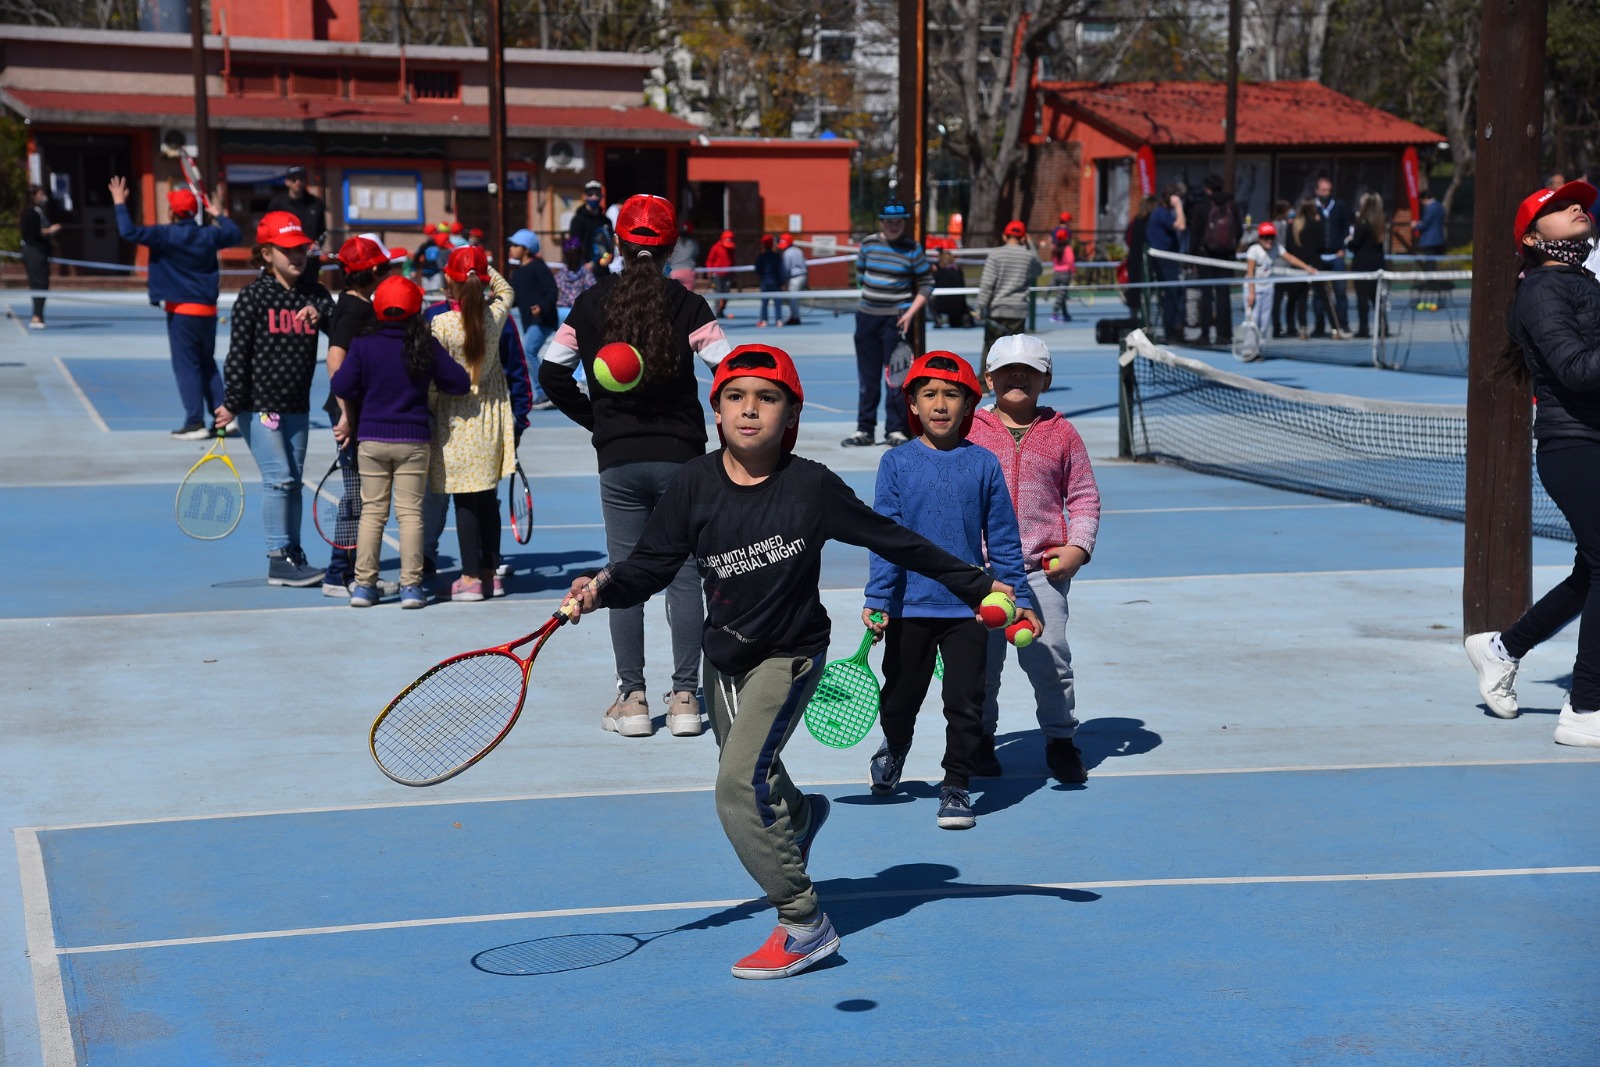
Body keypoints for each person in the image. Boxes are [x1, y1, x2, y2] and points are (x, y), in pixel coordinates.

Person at [562, 343, 1017, 978]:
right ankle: (801, 815)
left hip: (791, 653)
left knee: (734, 789)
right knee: (756, 777)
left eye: (766, 398)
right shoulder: (693, 483)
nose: (750, 410)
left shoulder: (811, 488)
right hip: (725, 657)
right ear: (716, 411)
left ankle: (805, 923)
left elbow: (898, 541)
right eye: (735, 397)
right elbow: (650, 567)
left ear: (790, 414)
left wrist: (979, 587)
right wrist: (603, 585)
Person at [540, 194, 733, 738]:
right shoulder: (690, 306)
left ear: (617, 245)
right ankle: (687, 699)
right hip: (682, 460)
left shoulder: (591, 304)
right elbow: (732, 370)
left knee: (624, 574)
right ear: (671, 248)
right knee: (684, 576)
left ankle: (631, 697)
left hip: (618, 460)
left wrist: (598, 421)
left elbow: (552, 372)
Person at [862, 351, 1039, 830]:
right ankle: (895, 746)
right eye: (930, 395)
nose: (940, 404)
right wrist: (878, 600)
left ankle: (957, 784)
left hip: (969, 610)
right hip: (908, 606)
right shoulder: (895, 463)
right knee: (899, 699)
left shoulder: (983, 464)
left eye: (952, 395)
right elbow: (886, 538)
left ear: (969, 405)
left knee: (966, 702)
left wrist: (1019, 599)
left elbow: (1004, 538)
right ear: (914, 405)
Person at [1464, 179, 1600, 748]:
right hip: (1574, 447)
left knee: (1591, 571)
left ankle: (1503, 649)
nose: (1578, 207)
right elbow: (1576, 370)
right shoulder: (1542, 290)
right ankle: (1584, 709)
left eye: (1582, 202)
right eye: (1559, 206)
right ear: (1532, 235)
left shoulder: (1581, 281)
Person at [967, 334, 1099, 783]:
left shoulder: (1062, 432)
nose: (1017, 376)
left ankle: (1061, 741)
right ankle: (981, 740)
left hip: (1041, 572)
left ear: (1046, 380)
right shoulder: (968, 431)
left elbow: (1083, 497)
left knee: (1050, 661)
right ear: (989, 379)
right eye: (1007, 370)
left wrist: (1078, 548)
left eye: (1029, 370)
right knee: (981, 669)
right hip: (982, 575)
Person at [331, 276, 471, 609]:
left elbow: (342, 383)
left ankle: (364, 585)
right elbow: (459, 382)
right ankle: (411, 586)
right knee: (410, 515)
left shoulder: (365, 344)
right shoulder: (423, 343)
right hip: (413, 440)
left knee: (372, 513)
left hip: (372, 439)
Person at [214, 211, 333, 587]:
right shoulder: (252, 297)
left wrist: (324, 313)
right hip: (260, 406)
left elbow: (344, 326)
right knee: (279, 479)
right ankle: (277, 554)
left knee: (293, 481)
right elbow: (238, 355)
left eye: (300, 248)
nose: (296, 256)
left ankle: (292, 554)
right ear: (267, 254)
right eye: (287, 250)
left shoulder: (315, 293)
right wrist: (233, 401)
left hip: (297, 405)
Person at [108, 175, 241, 438]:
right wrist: (219, 214)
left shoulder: (164, 234)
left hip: (181, 311)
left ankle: (194, 422)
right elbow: (235, 234)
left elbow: (128, 232)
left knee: (187, 366)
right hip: (207, 311)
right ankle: (223, 417)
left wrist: (119, 203)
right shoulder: (209, 235)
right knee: (207, 363)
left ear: (172, 211)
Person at [426, 245, 516, 602]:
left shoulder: (442, 323)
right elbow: (506, 289)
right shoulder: (495, 316)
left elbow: (435, 377)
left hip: (457, 416)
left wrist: (432, 409)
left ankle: (469, 577)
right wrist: (484, 266)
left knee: (465, 500)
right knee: (486, 498)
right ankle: (490, 573)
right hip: (491, 414)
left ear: (450, 280)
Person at [319, 235, 393, 597]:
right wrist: (346, 413)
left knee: (361, 495)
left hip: (359, 411)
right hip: (353, 415)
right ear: (374, 271)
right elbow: (336, 360)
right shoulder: (354, 310)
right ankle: (339, 572)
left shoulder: (356, 304)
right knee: (356, 496)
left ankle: (348, 568)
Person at [845, 197, 933, 448]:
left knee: (897, 379)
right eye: (889, 221)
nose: (894, 226)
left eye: (899, 222)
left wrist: (909, 313)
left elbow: (927, 284)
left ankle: (895, 430)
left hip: (896, 322)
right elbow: (861, 275)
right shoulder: (869, 244)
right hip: (867, 319)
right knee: (868, 379)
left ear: (904, 223)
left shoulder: (912, 248)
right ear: (881, 222)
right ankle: (865, 430)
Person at [976, 220, 1042, 361]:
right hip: (1018, 311)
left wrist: (980, 307)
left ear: (1005, 236)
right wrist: (1030, 245)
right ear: (1023, 238)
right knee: (1015, 353)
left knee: (991, 350)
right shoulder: (1028, 256)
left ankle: (985, 381)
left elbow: (987, 283)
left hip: (998, 310)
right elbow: (1038, 270)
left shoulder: (996, 254)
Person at [508, 228, 558, 408]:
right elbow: (513, 298)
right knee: (527, 352)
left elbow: (552, 292)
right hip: (529, 321)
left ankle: (543, 393)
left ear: (526, 249)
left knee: (527, 351)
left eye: (515, 245)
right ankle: (544, 391)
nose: (511, 248)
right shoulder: (518, 272)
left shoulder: (539, 267)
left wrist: (542, 307)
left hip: (543, 320)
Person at [1190, 174, 1241, 346]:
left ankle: (1205, 335)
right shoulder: (1232, 205)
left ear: (1208, 189)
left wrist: (1192, 257)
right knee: (1223, 295)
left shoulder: (1202, 207)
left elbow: (1195, 234)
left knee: (1206, 296)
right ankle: (1224, 335)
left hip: (1206, 256)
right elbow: (1239, 231)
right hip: (1226, 257)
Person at [1145, 185, 1187, 344]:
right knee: (1171, 294)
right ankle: (1171, 331)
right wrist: (1178, 206)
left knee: (1174, 294)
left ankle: (1175, 329)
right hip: (1164, 260)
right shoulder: (1161, 214)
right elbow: (1181, 226)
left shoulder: (1162, 213)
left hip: (1169, 259)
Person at [1311, 176, 1352, 337]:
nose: (1326, 193)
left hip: (1336, 256)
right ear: (1316, 191)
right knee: (1318, 294)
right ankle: (1319, 326)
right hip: (1319, 258)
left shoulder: (1340, 206)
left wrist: (1342, 248)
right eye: (1323, 190)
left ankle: (1343, 324)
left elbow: (1346, 228)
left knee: (1340, 292)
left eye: (1328, 190)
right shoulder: (1311, 208)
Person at [20, 184, 60, 330]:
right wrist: (49, 231)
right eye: (40, 193)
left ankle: (39, 314)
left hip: (40, 252)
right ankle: (36, 316)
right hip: (34, 251)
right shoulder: (31, 212)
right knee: (39, 283)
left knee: (42, 283)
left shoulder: (39, 211)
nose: (43, 196)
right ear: (34, 195)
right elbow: (32, 233)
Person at [1284, 198, 1325, 340]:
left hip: (1298, 265)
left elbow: (1288, 247)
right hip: (1312, 265)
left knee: (1299, 299)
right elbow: (1322, 245)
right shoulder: (1315, 225)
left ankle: (1300, 328)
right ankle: (1335, 328)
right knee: (1324, 297)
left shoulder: (1293, 225)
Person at [266, 166, 327, 261]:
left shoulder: (316, 204)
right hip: (285, 256)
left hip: (309, 257)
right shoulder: (277, 204)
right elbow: (268, 228)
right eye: (294, 179)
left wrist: (318, 243)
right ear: (287, 182)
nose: (298, 183)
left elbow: (323, 230)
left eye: (301, 179)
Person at [1348, 193, 1388, 339]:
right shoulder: (1380, 221)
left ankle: (1363, 329)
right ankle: (1383, 328)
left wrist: (1348, 242)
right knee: (1376, 298)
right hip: (1377, 264)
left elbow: (1355, 243)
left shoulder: (1362, 222)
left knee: (1362, 299)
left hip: (1363, 265)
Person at [568, 180, 613, 272]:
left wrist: (609, 257)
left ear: (601, 197)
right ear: (584, 196)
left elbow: (609, 244)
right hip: (584, 269)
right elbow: (574, 245)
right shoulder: (577, 220)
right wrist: (583, 264)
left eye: (597, 194)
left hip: (603, 270)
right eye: (590, 194)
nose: (594, 197)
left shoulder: (606, 221)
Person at [1124, 197, 1156, 324]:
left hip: (1134, 258)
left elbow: (1127, 238)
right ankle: (1145, 318)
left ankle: (1134, 317)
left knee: (1135, 288)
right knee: (1145, 288)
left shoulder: (1135, 221)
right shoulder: (1150, 222)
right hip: (1145, 259)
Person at [553, 235, 597, 324]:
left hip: (579, 314)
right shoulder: (560, 275)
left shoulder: (586, 275)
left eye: (575, 254)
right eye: (570, 255)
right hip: (565, 314)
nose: (573, 258)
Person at [931, 249, 973, 328]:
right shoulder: (957, 269)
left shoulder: (938, 270)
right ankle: (964, 317)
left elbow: (933, 284)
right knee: (955, 322)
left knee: (930, 300)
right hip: (959, 305)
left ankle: (938, 319)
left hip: (941, 304)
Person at [1048, 212, 1076, 322]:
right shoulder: (1067, 245)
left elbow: (1051, 241)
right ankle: (1055, 314)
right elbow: (1070, 260)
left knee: (1062, 293)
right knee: (1061, 295)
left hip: (1057, 269)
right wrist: (1073, 271)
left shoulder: (1055, 231)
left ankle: (1065, 314)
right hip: (1065, 272)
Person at [755, 234, 785, 327]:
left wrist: (762, 276)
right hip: (775, 280)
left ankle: (764, 320)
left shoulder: (761, 256)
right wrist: (782, 281)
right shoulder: (776, 256)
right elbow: (781, 269)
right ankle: (779, 320)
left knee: (764, 301)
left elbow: (757, 269)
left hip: (765, 280)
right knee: (777, 301)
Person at [705, 229, 737, 317]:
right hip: (717, 275)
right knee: (717, 294)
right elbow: (710, 260)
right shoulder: (715, 247)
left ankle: (721, 311)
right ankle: (716, 312)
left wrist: (733, 271)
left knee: (726, 294)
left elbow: (732, 260)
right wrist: (709, 271)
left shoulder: (731, 248)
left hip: (727, 275)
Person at [779, 232, 807, 325]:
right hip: (803, 275)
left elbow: (786, 268)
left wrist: (784, 282)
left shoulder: (787, 253)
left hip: (795, 277)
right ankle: (793, 315)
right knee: (792, 298)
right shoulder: (799, 250)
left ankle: (795, 318)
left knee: (793, 298)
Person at [668, 222, 699, 289]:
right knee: (689, 297)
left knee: (674, 296)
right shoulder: (693, 244)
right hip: (688, 271)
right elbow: (696, 255)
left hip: (674, 271)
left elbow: (668, 258)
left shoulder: (673, 244)